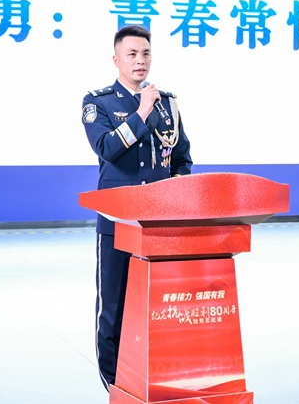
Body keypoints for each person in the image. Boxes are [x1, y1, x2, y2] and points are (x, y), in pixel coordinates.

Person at [81, 25, 192, 391]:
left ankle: (152, 379)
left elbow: (181, 158)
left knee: (155, 305)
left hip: (158, 226)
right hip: (117, 224)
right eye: (131, 54)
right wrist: (142, 112)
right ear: (116, 60)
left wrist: (176, 197)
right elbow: (107, 148)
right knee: (113, 309)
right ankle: (114, 386)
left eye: (145, 53)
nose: (140, 61)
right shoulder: (98, 102)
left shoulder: (168, 103)